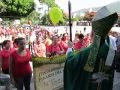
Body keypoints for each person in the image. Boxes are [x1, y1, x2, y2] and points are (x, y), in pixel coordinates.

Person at [64, 10, 118, 90]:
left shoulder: (88, 53)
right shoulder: (112, 52)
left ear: (93, 32)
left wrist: (69, 48)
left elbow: (70, 63)